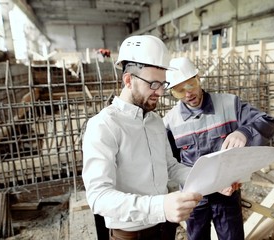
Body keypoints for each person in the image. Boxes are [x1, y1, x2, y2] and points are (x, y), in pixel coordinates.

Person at [82, 35, 203, 240]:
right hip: (131, 235)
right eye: (153, 84)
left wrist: (210, 178)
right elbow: (98, 196)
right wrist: (160, 206)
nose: (160, 92)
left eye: (163, 84)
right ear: (128, 80)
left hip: (165, 228)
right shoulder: (104, 126)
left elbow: (170, 166)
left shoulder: (155, 121)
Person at [163, 57, 274, 240]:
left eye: (191, 85)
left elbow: (267, 122)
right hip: (194, 197)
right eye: (179, 91)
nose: (187, 94)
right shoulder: (170, 122)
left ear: (198, 78)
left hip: (228, 192)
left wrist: (244, 132)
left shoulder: (229, 104)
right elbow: (172, 163)